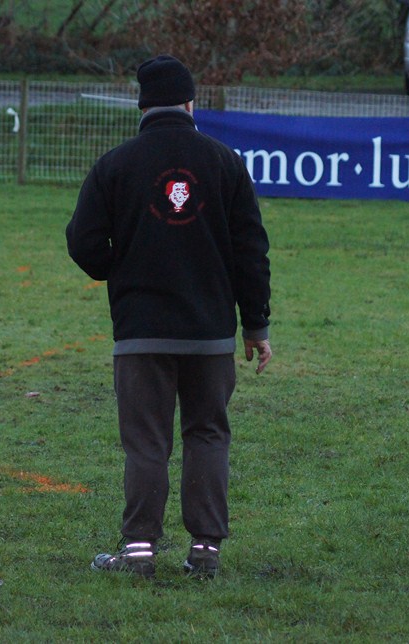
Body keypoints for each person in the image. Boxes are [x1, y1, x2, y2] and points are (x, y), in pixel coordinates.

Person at [65, 54, 272, 577]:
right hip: (209, 334)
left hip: (141, 333)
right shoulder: (225, 162)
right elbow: (252, 251)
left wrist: (118, 269)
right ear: (190, 103)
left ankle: (138, 551)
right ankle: (205, 552)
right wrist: (255, 326)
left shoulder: (114, 165)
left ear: (141, 107)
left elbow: (82, 240)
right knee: (207, 434)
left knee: (146, 440)